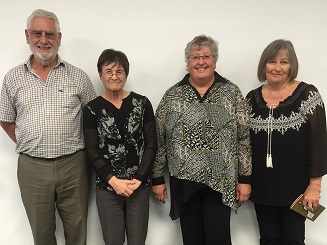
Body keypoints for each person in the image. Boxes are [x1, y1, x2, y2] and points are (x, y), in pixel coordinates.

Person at [0, 9, 97, 245]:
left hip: (73, 165)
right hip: (32, 168)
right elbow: (5, 118)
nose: (43, 40)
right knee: (41, 236)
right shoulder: (13, 78)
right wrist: (29, 140)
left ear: (59, 38)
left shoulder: (78, 77)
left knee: (77, 232)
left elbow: (93, 120)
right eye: (37, 33)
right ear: (27, 36)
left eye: (50, 34)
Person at [151, 34, 252, 245]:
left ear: (215, 60)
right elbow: (159, 139)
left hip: (221, 180)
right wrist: (157, 178)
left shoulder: (231, 92)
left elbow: (244, 138)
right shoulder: (172, 95)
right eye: (195, 57)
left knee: (219, 238)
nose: (201, 62)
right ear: (187, 62)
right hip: (184, 179)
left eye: (206, 56)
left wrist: (245, 178)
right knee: (192, 239)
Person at [246, 39, 327, 245]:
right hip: (263, 187)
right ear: (264, 65)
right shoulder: (251, 99)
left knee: (293, 239)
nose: (278, 68)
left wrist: (314, 186)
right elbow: (243, 144)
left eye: (284, 62)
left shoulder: (308, 95)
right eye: (272, 62)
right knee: (268, 238)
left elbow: (319, 143)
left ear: (292, 65)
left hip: (296, 189)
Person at [83, 49, 157, 245]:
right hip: (108, 188)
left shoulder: (142, 103)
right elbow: (91, 151)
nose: (114, 76)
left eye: (119, 71)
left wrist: (139, 179)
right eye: (108, 71)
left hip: (137, 187)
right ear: (100, 75)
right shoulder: (92, 109)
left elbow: (151, 145)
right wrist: (113, 181)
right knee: (112, 241)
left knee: (138, 241)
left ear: (126, 75)